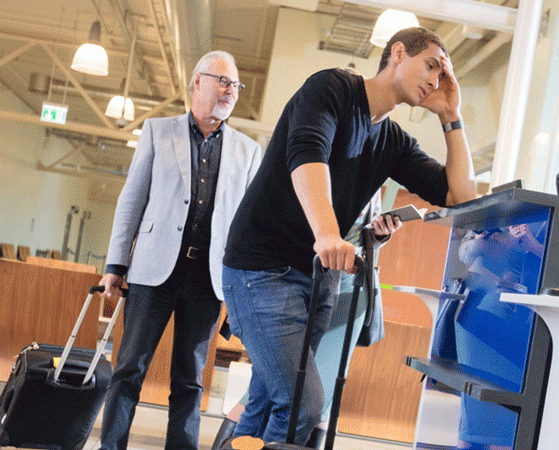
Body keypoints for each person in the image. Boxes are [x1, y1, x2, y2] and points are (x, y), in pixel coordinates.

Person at [222, 26, 477, 445]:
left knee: (268, 400)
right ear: (398, 53)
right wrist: (327, 234)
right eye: (431, 65)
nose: (435, 80)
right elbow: (307, 151)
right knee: (302, 404)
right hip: (263, 270)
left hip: (317, 277)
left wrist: (452, 116)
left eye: (442, 74)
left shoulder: (392, 139)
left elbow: (458, 195)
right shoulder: (333, 87)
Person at [96, 50, 262, 450]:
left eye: (235, 85)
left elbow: (246, 227)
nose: (229, 91)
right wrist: (115, 264)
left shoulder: (248, 150)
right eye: (222, 81)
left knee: (189, 378)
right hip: (154, 271)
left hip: (208, 281)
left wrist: (244, 288)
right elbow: (131, 201)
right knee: (129, 369)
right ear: (197, 83)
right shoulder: (158, 131)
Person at [211, 194, 396, 449]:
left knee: (318, 394)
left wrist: (379, 235)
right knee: (272, 389)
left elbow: (358, 240)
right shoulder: (312, 162)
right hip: (294, 278)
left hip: (347, 290)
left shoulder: (373, 172)